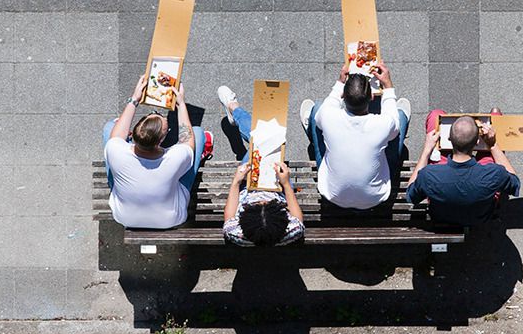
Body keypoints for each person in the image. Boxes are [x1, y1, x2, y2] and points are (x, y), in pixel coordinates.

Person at [297, 59, 411, 210]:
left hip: (333, 194)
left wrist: (340, 81)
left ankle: (312, 129)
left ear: (343, 96)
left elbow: (330, 102)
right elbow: (395, 125)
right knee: (400, 116)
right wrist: (388, 86)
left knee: (317, 109)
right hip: (375, 197)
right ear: (372, 97)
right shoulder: (383, 124)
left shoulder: (327, 115)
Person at [103, 75, 211, 229]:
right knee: (197, 133)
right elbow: (187, 139)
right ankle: (200, 154)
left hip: (124, 217)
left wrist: (135, 99)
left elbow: (115, 137)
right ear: (161, 141)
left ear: (132, 135)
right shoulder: (176, 157)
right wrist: (181, 105)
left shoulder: (116, 151)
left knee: (109, 128)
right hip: (171, 219)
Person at [216, 85, 304, 246]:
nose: (262, 200)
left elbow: (228, 217)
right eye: (266, 204)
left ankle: (234, 109)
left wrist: (236, 181)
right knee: (266, 141)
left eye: (256, 205)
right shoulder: (292, 230)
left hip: (248, 186)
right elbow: (298, 217)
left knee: (258, 141)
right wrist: (285, 184)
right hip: (279, 188)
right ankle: (235, 110)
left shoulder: (235, 232)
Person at [406, 116, 520, 225]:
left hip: (441, 218)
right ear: (477, 142)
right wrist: (493, 145)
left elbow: (411, 196)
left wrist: (426, 150)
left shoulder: (428, 175)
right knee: (495, 116)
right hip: (480, 217)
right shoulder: (494, 173)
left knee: (435, 114)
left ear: (449, 139)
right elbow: (515, 183)